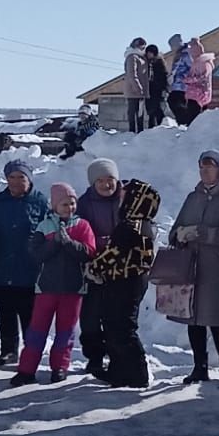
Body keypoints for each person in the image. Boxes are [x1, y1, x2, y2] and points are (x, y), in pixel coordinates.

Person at [168, 149, 219, 389]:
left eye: (209, 166)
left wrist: (202, 233)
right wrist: (178, 235)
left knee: (217, 321)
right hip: (190, 265)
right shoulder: (193, 196)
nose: (204, 171)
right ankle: (199, 367)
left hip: (216, 266)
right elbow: (176, 227)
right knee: (194, 320)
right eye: (201, 166)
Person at [12, 182, 97, 386]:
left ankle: (60, 367)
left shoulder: (82, 226)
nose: (69, 208)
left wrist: (69, 243)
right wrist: (55, 242)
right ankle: (26, 369)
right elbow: (36, 254)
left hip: (73, 288)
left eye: (72, 203)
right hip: (46, 288)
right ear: (55, 206)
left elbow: (89, 253)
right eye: (64, 204)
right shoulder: (44, 226)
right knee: (37, 330)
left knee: (65, 332)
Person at [85, 178, 160, 388]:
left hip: (127, 281)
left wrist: (94, 267)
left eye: (125, 194)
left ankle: (137, 372)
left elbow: (114, 253)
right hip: (126, 280)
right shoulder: (142, 222)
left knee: (122, 327)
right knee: (113, 325)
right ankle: (119, 370)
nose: (121, 197)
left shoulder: (131, 225)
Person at [0, 161, 48, 367]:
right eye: (11, 177)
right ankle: (8, 350)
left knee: (29, 314)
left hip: (29, 268)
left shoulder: (40, 202)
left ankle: (31, 352)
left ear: (29, 179)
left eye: (20, 177)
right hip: (1, 266)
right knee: (5, 312)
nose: (15, 182)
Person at [76, 158, 123, 379]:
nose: (106, 185)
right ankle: (94, 358)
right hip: (93, 267)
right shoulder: (84, 203)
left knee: (116, 317)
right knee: (91, 316)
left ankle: (117, 357)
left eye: (110, 179)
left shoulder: (126, 199)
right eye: (101, 181)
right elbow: (81, 232)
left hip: (122, 267)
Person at [181, 38, 216, 126]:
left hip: (198, 93)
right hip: (198, 93)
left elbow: (202, 77)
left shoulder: (203, 63)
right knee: (196, 116)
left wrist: (188, 80)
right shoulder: (200, 62)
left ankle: (192, 131)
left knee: (193, 117)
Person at [122, 37, 151, 133]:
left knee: (140, 113)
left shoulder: (141, 57)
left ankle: (139, 132)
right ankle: (132, 132)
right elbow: (132, 74)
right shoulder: (132, 57)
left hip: (140, 91)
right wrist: (138, 88)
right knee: (133, 112)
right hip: (134, 91)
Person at [143, 43, 169, 130]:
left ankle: (161, 125)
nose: (148, 55)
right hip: (150, 89)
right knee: (150, 110)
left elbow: (163, 76)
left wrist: (163, 88)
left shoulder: (159, 63)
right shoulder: (147, 63)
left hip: (157, 89)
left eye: (150, 53)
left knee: (156, 109)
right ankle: (152, 127)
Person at [167, 34, 192, 123]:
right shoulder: (178, 55)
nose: (171, 49)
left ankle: (184, 121)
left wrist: (185, 78)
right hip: (176, 84)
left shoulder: (186, 54)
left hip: (183, 85)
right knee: (172, 101)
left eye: (172, 46)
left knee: (176, 102)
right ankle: (181, 121)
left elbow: (191, 68)